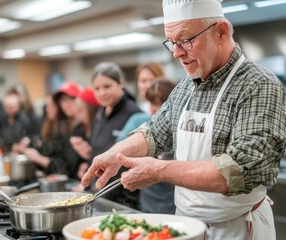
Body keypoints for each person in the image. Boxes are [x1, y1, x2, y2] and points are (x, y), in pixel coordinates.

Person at [81, 0, 286, 239]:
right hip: (187, 226)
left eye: (185, 40)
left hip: (238, 228)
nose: (177, 53)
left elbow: (241, 168)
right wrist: (115, 155)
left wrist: (158, 170)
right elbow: (154, 132)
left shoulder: (259, 85)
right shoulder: (185, 88)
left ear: (220, 32)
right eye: (172, 43)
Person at [75, 62, 142, 209]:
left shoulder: (134, 114)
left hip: (123, 196)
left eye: (107, 87)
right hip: (99, 191)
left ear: (121, 84)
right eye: (97, 88)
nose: (101, 93)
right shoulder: (101, 112)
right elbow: (98, 150)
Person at [137, 77, 177, 214]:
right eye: (152, 103)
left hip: (171, 201)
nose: (155, 109)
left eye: (161, 103)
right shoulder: (145, 127)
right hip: (147, 199)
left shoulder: (179, 131)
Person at [23, 93, 83, 179]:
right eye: (47, 106)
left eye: (51, 106)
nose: (47, 109)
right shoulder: (49, 125)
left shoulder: (67, 129)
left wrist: (39, 159)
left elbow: (67, 167)